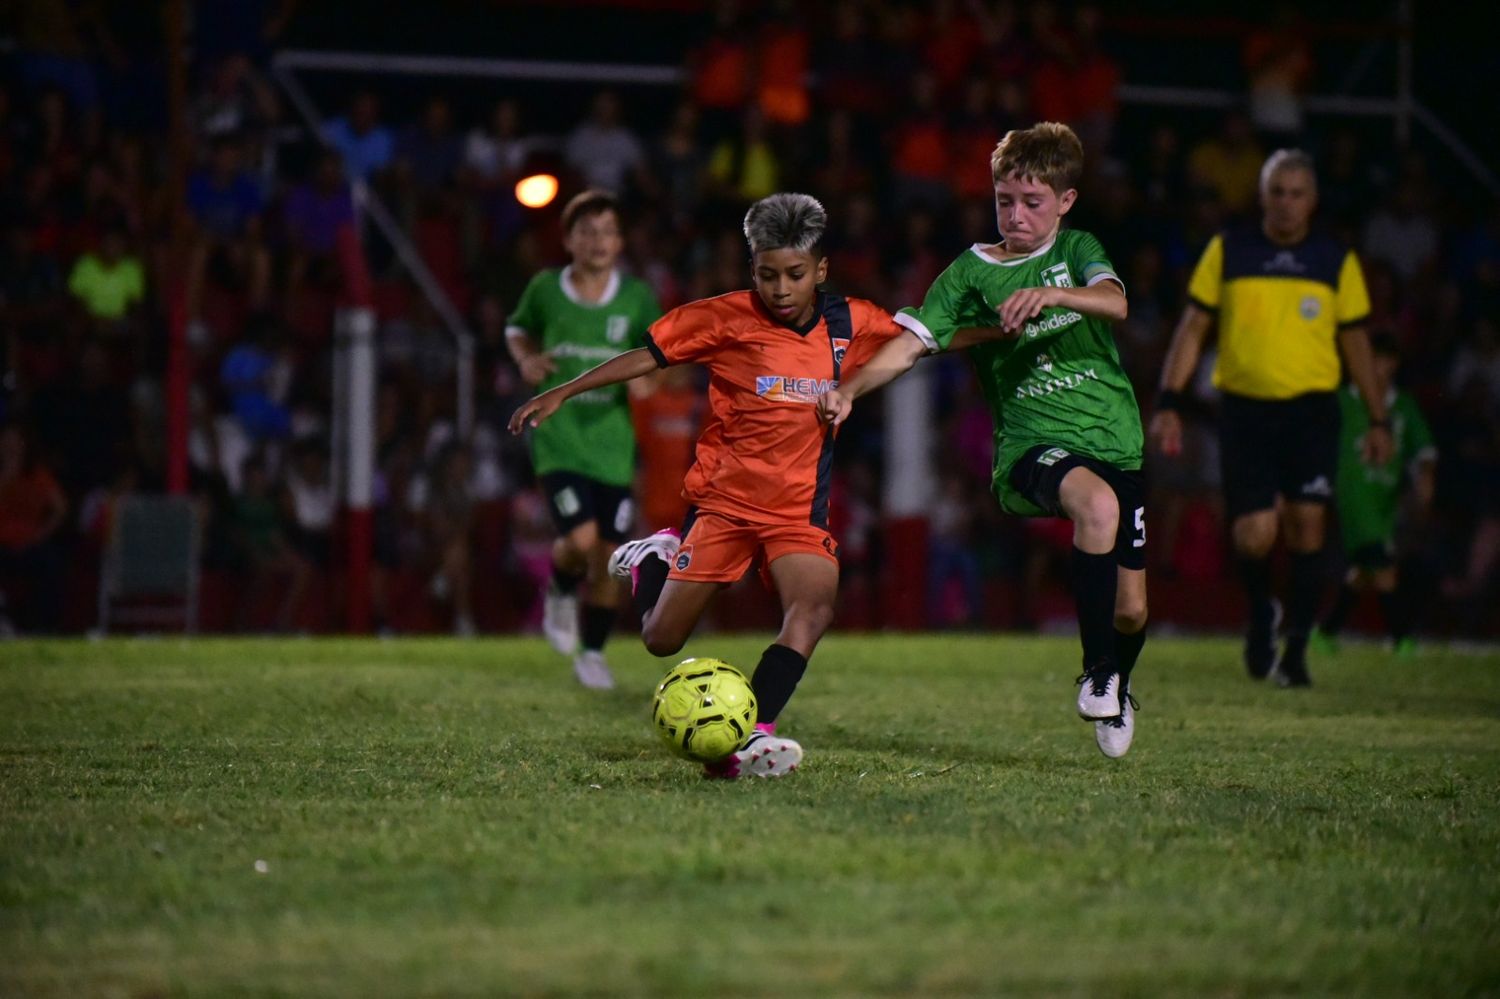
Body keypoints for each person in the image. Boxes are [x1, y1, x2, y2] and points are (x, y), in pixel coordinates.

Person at [510, 192, 901, 778]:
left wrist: (1009, 323)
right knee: (659, 639)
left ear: (820, 271)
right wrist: (564, 389)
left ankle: (750, 736)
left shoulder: (852, 321)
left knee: (813, 607)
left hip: (797, 511)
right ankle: (654, 557)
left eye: (795, 275)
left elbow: (921, 339)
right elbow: (646, 357)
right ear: (752, 270)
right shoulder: (723, 318)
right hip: (724, 505)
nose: (781, 288)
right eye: (767, 275)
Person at [819, 122, 1146, 759]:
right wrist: (851, 390)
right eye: (1005, 201)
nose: (1016, 215)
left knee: (1131, 609)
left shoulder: (1078, 251)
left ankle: (1119, 677)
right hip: (1033, 444)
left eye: (1032, 202)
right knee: (1097, 506)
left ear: (1066, 202)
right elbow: (909, 345)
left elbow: (1116, 302)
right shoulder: (968, 274)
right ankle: (1097, 671)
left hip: (1116, 438)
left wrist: (1052, 292)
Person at [1152, 148, 1393, 687]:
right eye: (1277, 192)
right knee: (1253, 537)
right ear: (1262, 196)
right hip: (1245, 412)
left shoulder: (1334, 261)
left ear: (1313, 200)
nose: (1286, 204)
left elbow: (1356, 343)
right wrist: (1169, 400)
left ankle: (1298, 652)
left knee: (1307, 527)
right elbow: (1193, 328)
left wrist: (1378, 420)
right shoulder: (1230, 249)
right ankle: (1262, 613)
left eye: (1297, 193)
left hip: (1311, 411)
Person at [505, 190, 662, 689]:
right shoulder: (546, 289)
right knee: (581, 539)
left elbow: (657, 357)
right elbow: (516, 329)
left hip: (612, 445)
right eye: (587, 232)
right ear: (569, 239)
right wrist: (527, 359)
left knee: (608, 558)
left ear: (620, 241)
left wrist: (649, 382)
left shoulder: (637, 296)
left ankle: (592, 653)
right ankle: (559, 587)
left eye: (607, 232)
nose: (598, 242)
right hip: (560, 438)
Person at [1313, 334, 1436, 654]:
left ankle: (1326, 633)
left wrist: (1425, 480)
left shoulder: (1404, 406)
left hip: (1387, 498)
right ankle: (1401, 640)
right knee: (1382, 566)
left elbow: (1423, 449)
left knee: (1364, 571)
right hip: (1353, 494)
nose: (1379, 368)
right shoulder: (1342, 402)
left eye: (1384, 360)